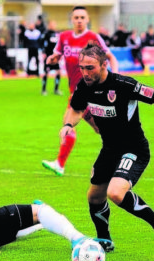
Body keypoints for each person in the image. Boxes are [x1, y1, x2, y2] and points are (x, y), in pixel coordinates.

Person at [60, 43, 154, 254]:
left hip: (134, 149)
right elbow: (76, 109)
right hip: (109, 149)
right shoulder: (84, 86)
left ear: (104, 64)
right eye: (82, 67)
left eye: (90, 67)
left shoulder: (123, 84)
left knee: (115, 192)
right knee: (94, 197)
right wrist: (68, 125)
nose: (85, 72)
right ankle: (104, 240)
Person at [42, 6, 118, 176]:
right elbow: (57, 55)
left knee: (68, 123)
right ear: (71, 19)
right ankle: (119, 151)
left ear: (88, 19)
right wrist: (53, 59)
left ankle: (60, 164)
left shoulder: (93, 38)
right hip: (75, 91)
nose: (79, 20)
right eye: (76, 17)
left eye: (82, 17)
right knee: (99, 128)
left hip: (90, 91)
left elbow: (110, 57)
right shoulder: (64, 37)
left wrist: (115, 79)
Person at [41, 20, 61, 96]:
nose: (53, 26)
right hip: (48, 55)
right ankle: (43, 89)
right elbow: (42, 43)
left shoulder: (57, 34)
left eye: (54, 24)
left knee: (58, 72)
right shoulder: (46, 34)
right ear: (49, 25)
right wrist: (43, 52)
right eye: (51, 24)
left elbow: (60, 44)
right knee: (46, 72)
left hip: (55, 56)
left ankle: (56, 89)